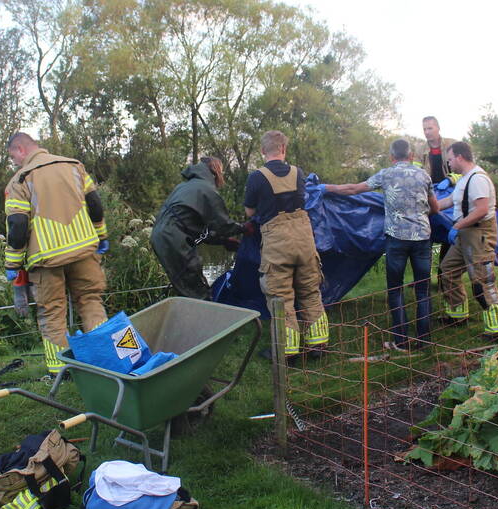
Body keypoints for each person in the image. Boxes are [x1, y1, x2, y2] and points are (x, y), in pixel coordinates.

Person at [3, 132, 109, 376]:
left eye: (13, 157)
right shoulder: (74, 166)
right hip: (84, 250)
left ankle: (60, 370)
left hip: (46, 260)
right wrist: (101, 237)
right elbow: (95, 205)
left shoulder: (19, 180)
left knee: (52, 312)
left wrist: (12, 264)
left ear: (20, 149)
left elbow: (17, 226)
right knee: (91, 302)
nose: (14, 162)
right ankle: (107, 361)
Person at [325, 138, 439, 351]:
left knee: (395, 290)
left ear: (392, 157)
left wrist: (324, 187)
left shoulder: (386, 174)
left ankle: (401, 342)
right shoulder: (423, 175)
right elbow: (435, 208)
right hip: (422, 239)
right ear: (411, 155)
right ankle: (424, 341)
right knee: (423, 290)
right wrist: (420, 216)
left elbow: (353, 189)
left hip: (396, 240)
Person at [244, 130, 329, 359]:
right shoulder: (297, 172)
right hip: (304, 238)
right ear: (283, 149)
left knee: (280, 296)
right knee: (310, 291)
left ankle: (287, 350)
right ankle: (317, 345)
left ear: (263, 151)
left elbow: (250, 211)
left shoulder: (256, 177)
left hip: (277, 242)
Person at [435, 141, 498, 339]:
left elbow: (482, 210)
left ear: (459, 157)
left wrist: (456, 226)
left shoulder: (477, 179)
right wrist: (429, 207)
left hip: (479, 234)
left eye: (450, 159)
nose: (449, 164)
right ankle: (457, 315)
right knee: (447, 269)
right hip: (464, 234)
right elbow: (450, 201)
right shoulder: (464, 179)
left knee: (483, 281)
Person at [150, 157, 243, 300]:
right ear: (215, 171)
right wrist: (244, 228)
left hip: (160, 236)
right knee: (197, 290)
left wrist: (223, 241)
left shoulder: (183, 186)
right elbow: (223, 225)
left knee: (185, 286)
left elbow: (201, 230)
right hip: (174, 239)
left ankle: (190, 315)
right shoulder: (206, 189)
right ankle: (206, 318)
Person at [420, 116, 458, 278]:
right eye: (424, 129)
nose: (427, 132)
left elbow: (465, 170)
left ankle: (444, 277)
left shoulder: (452, 144)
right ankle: (424, 279)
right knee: (426, 236)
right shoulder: (419, 149)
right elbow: (416, 172)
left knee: (447, 234)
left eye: (430, 128)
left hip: (449, 193)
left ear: (438, 128)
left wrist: (450, 179)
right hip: (429, 195)